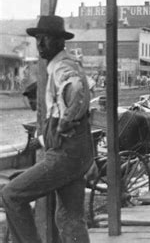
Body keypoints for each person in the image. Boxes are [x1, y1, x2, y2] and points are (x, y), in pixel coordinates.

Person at [1, 15, 94, 243]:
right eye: (38, 39)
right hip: (78, 153)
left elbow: (77, 86)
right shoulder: (65, 65)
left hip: (65, 154)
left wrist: (66, 119)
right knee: (69, 217)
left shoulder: (62, 68)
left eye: (47, 39)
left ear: (60, 42)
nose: (41, 44)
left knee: (11, 195)